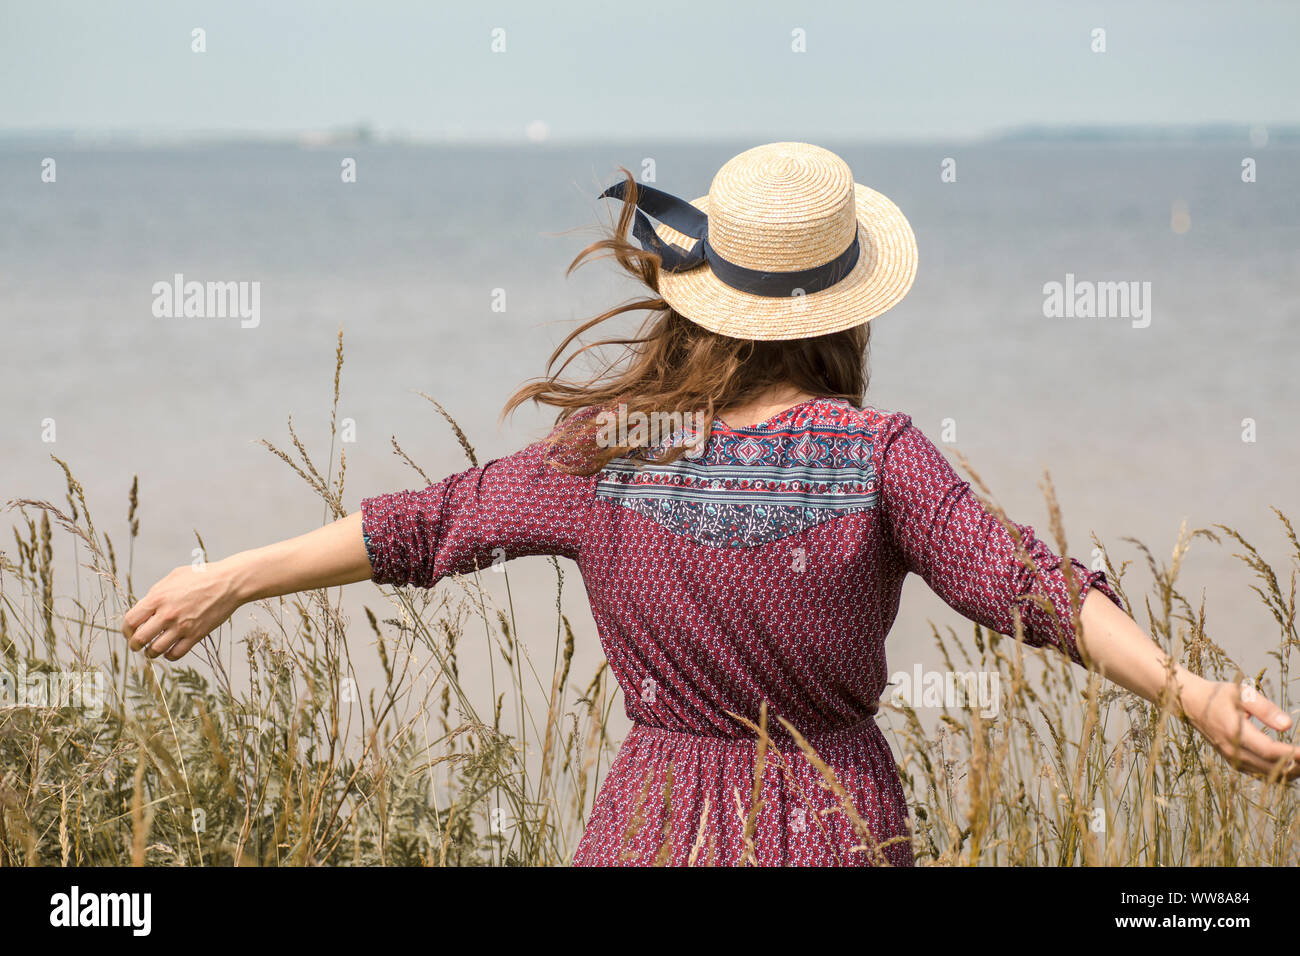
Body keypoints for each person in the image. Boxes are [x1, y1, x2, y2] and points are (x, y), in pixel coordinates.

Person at [121, 142, 1298, 866]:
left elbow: (423, 526)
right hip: (838, 824)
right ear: (846, 308)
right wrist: (1189, 690)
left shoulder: (608, 451)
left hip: (648, 831)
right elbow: (1029, 587)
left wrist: (227, 576)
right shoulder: (877, 455)